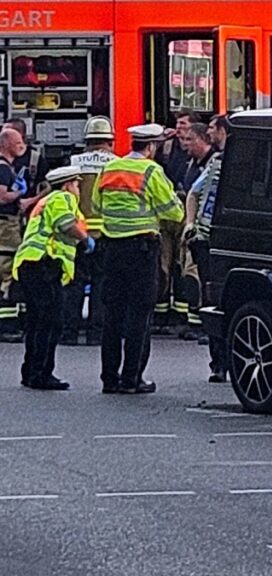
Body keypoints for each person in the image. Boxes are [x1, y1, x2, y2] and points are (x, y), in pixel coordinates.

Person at [95, 124, 184, 395]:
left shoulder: (109, 168)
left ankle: (109, 378)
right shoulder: (151, 171)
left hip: (111, 250)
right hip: (141, 250)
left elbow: (97, 205)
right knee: (139, 314)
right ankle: (131, 378)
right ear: (152, 147)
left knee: (113, 315)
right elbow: (173, 213)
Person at [13, 166, 93, 390]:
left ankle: (30, 371)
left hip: (31, 263)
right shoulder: (62, 197)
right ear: (68, 184)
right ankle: (41, 374)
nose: (78, 189)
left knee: (36, 321)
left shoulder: (46, 201)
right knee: (51, 321)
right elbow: (65, 224)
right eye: (77, 184)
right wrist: (85, 239)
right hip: (44, 263)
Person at [65, 116, 118, 346]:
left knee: (74, 283)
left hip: (78, 233)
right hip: (106, 234)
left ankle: (69, 332)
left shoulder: (74, 162)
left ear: (87, 140)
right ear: (110, 141)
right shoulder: (116, 164)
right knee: (101, 285)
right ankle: (97, 333)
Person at [184, 114, 229, 382]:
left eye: (213, 128)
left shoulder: (244, 162)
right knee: (211, 299)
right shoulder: (215, 162)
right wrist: (191, 224)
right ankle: (218, 364)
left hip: (229, 239)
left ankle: (229, 361)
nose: (210, 132)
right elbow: (194, 193)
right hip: (206, 238)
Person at [153, 109, 199, 334]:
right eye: (178, 124)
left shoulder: (195, 150)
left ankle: (181, 315)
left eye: (183, 124)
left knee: (182, 264)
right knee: (163, 264)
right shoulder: (168, 147)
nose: (179, 128)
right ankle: (161, 314)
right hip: (166, 213)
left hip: (183, 214)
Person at [177, 122, 217, 340]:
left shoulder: (215, 164)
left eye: (190, 139)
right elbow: (193, 192)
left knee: (198, 277)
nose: (186, 144)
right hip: (195, 229)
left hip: (206, 231)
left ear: (203, 139)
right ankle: (197, 322)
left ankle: (202, 325)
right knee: (190, 274)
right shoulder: (194, 162)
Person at [0, 128, 28, 342]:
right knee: (8, 273)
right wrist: (19, 193)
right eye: (18, 141)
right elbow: (1, 198)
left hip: (8, 225)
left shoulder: (8, 168)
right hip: (6, 228)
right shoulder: (3, 169)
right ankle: (6, 326)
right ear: (6, 144)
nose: (22, 145)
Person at [2, 118, 50, 200]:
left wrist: (30, 201)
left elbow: (47, 188)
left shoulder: (36, 159)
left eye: (7, 134)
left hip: (27, 208)